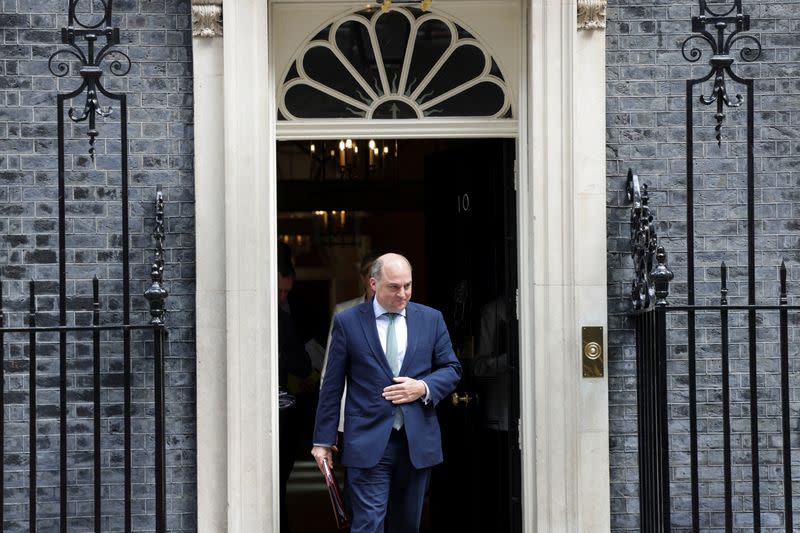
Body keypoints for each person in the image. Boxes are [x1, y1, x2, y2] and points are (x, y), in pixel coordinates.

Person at [312, 253, 462, 533]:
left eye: (408, 285)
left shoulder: (431, 319)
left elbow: (452, 368)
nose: (403, 293)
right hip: (367, 441)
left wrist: (423, 387)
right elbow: (332, 386)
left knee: (406, 525)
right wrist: (323, 439)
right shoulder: (348, 322)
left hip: (416, 442)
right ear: (373, 284)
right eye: (394, 286)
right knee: (368, 524)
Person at [320, 253, 378, 434]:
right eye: (372, 277)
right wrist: (329, 422)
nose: (376, 284)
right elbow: (330, 371)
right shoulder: (344, 313)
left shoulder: (406, 315)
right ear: (363, 279)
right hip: (353, 415)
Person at [277, 259, 312, 533]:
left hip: (282, 414)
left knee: (280, 484)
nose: (282, 298)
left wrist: (278, 357)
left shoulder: (284, 321)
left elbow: (303, 365)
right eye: (279, 291)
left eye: (286, 292)